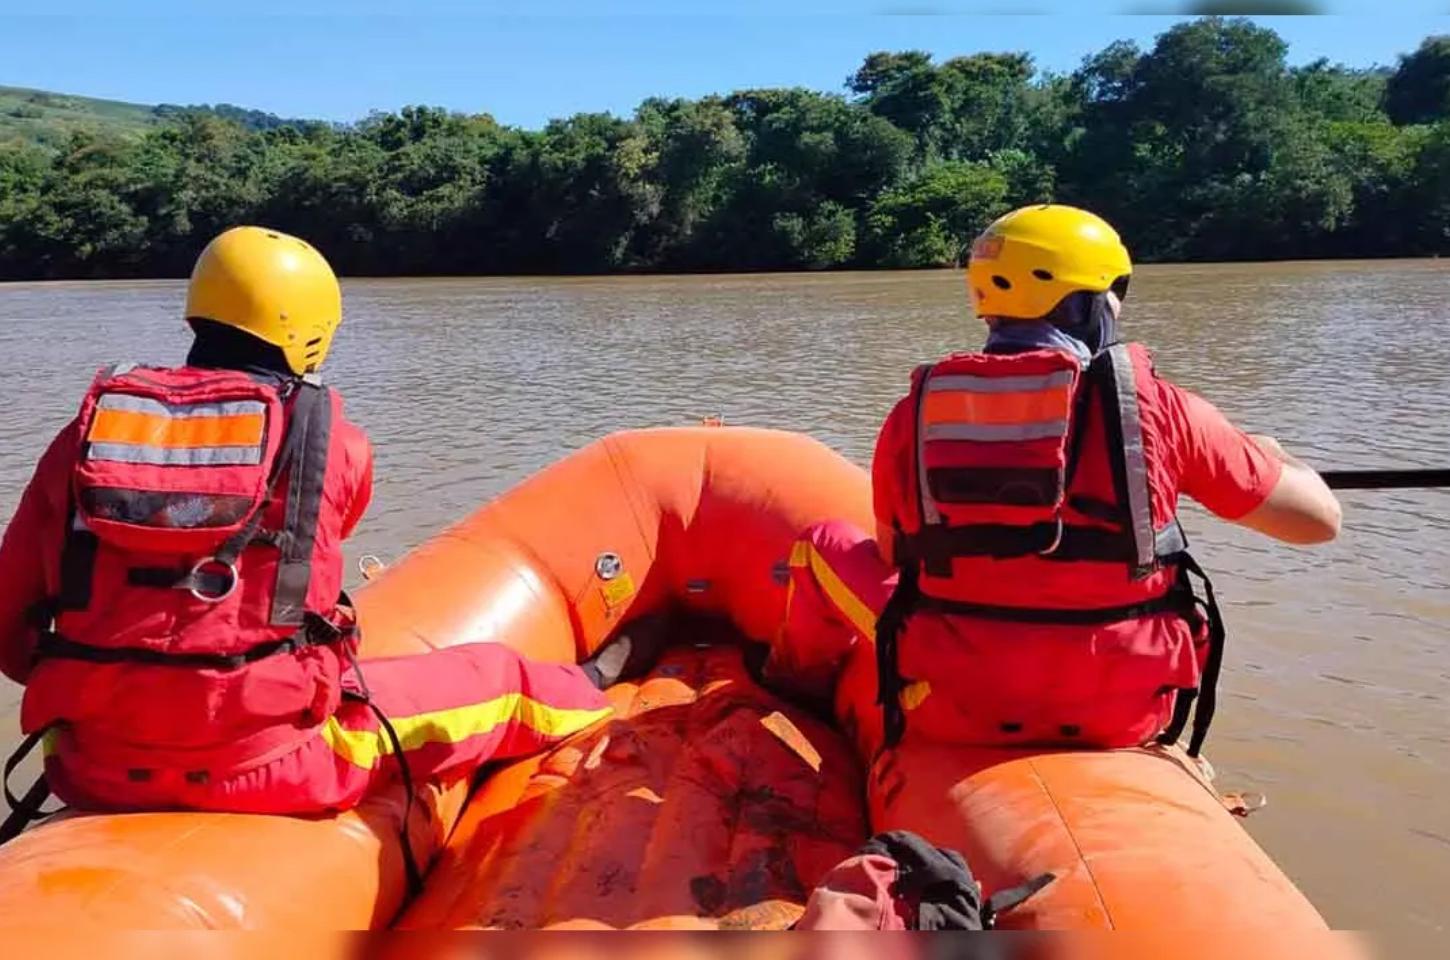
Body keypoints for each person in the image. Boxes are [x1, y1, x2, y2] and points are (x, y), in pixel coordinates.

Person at [0, 227, 614, 865]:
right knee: (501, 680)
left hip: (89, 763)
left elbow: (9, 627)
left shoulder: (85, 438)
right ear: (313, 328)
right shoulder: (336, 442)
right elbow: (318, 551)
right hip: (274, 764)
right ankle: (595, 687)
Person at [779, 204, 1341, 758]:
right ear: (1082, 304)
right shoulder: (1166, 411)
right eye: (1114, 292)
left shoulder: (917, 413)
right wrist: (1274, 456)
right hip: (1127, 711)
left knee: (823, 541)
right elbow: (1319, 523)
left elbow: (892, 553)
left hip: (959, 701)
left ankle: (793, 696)